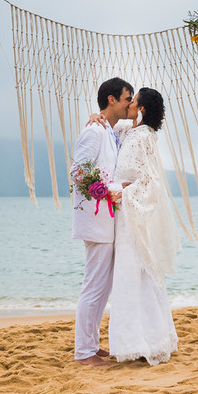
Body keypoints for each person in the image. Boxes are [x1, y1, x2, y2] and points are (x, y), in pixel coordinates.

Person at [107, 87, 181, 366]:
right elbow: (113, 128)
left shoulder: (142, 139)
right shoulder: (132, 132)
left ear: (142, 109)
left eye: (134, 101)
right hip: (126, 215)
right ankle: (141, 341)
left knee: (134, 276)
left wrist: (123, 193)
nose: (130, 104)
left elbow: (150, 182)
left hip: (131, 215)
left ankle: (144, 342)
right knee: (131, 277)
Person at [70, 77, 134, 367]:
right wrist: (106, 191)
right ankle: (83, 352)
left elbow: (138, 117)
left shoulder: (110, 130)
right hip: (95, 218)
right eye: (126, 98)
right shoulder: (95, 132)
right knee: (94, 286)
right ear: (111, 100)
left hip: (107, 219)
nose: (129, 104)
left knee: (103, 286)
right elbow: (78, 172)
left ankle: (92, 345)